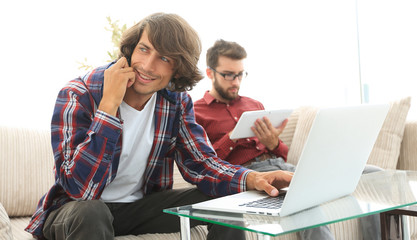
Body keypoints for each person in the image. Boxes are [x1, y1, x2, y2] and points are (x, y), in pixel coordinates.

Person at [25, 13, 293, 240]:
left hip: (139, 209)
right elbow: (79, 189)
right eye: (144, 49)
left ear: (178, 70)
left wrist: (251, 178)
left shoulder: (174, 102)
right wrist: (108, 107)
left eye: (165, 58)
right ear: (131, 49)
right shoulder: (79, 94)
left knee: (225, 203)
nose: (148, 66)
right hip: (74, 212)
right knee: (91, 211)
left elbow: (201, 163)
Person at [194, 39, 381, 240]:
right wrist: (233, 136)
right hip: (250, 175)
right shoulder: (197, 112)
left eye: (240, 74)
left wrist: (273, 143)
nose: (236, 82)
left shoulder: (254, 104)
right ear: (210, 73)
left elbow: (285, 155)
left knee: (373, 174)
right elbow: (205, 163)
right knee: (305, 204)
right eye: (228, 75)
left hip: (283, 167)